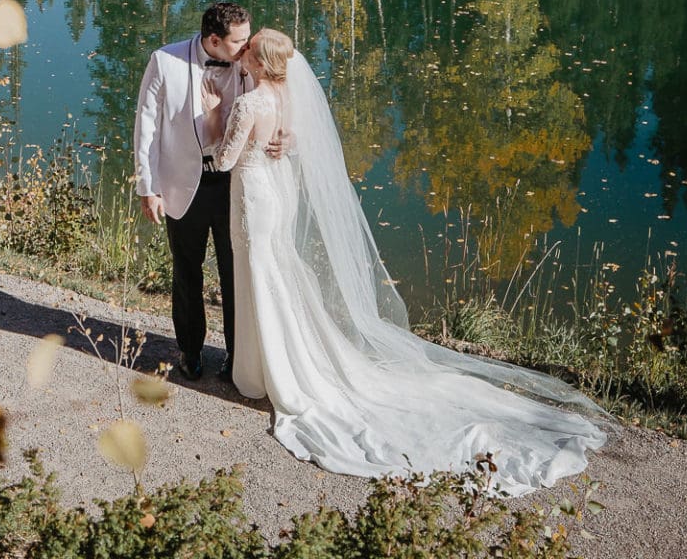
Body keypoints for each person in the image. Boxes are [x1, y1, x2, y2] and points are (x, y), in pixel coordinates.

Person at [211, 27, 608, 494]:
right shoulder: (287, 99)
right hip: (279, 196)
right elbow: (293, 141)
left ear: (257, 63)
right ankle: (272, 366)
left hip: (255, 197)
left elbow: (223, 161)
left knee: (261, 274)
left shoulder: (248, 104)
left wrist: (217, 120)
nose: (242, 54)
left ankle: (266, 374)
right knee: (275, 276)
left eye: (249, 50)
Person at [133, 1, 252, 381]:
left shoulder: (250, 63)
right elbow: (146, 129)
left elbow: (275, 108)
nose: (248, 46)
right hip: (184, 185)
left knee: (236, 275)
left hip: (235, 185)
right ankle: (190, 351)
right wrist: (148, 188)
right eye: (240, 41)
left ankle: (239, 357)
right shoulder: (164, 62)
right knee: (187, 274)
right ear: (214, 40)